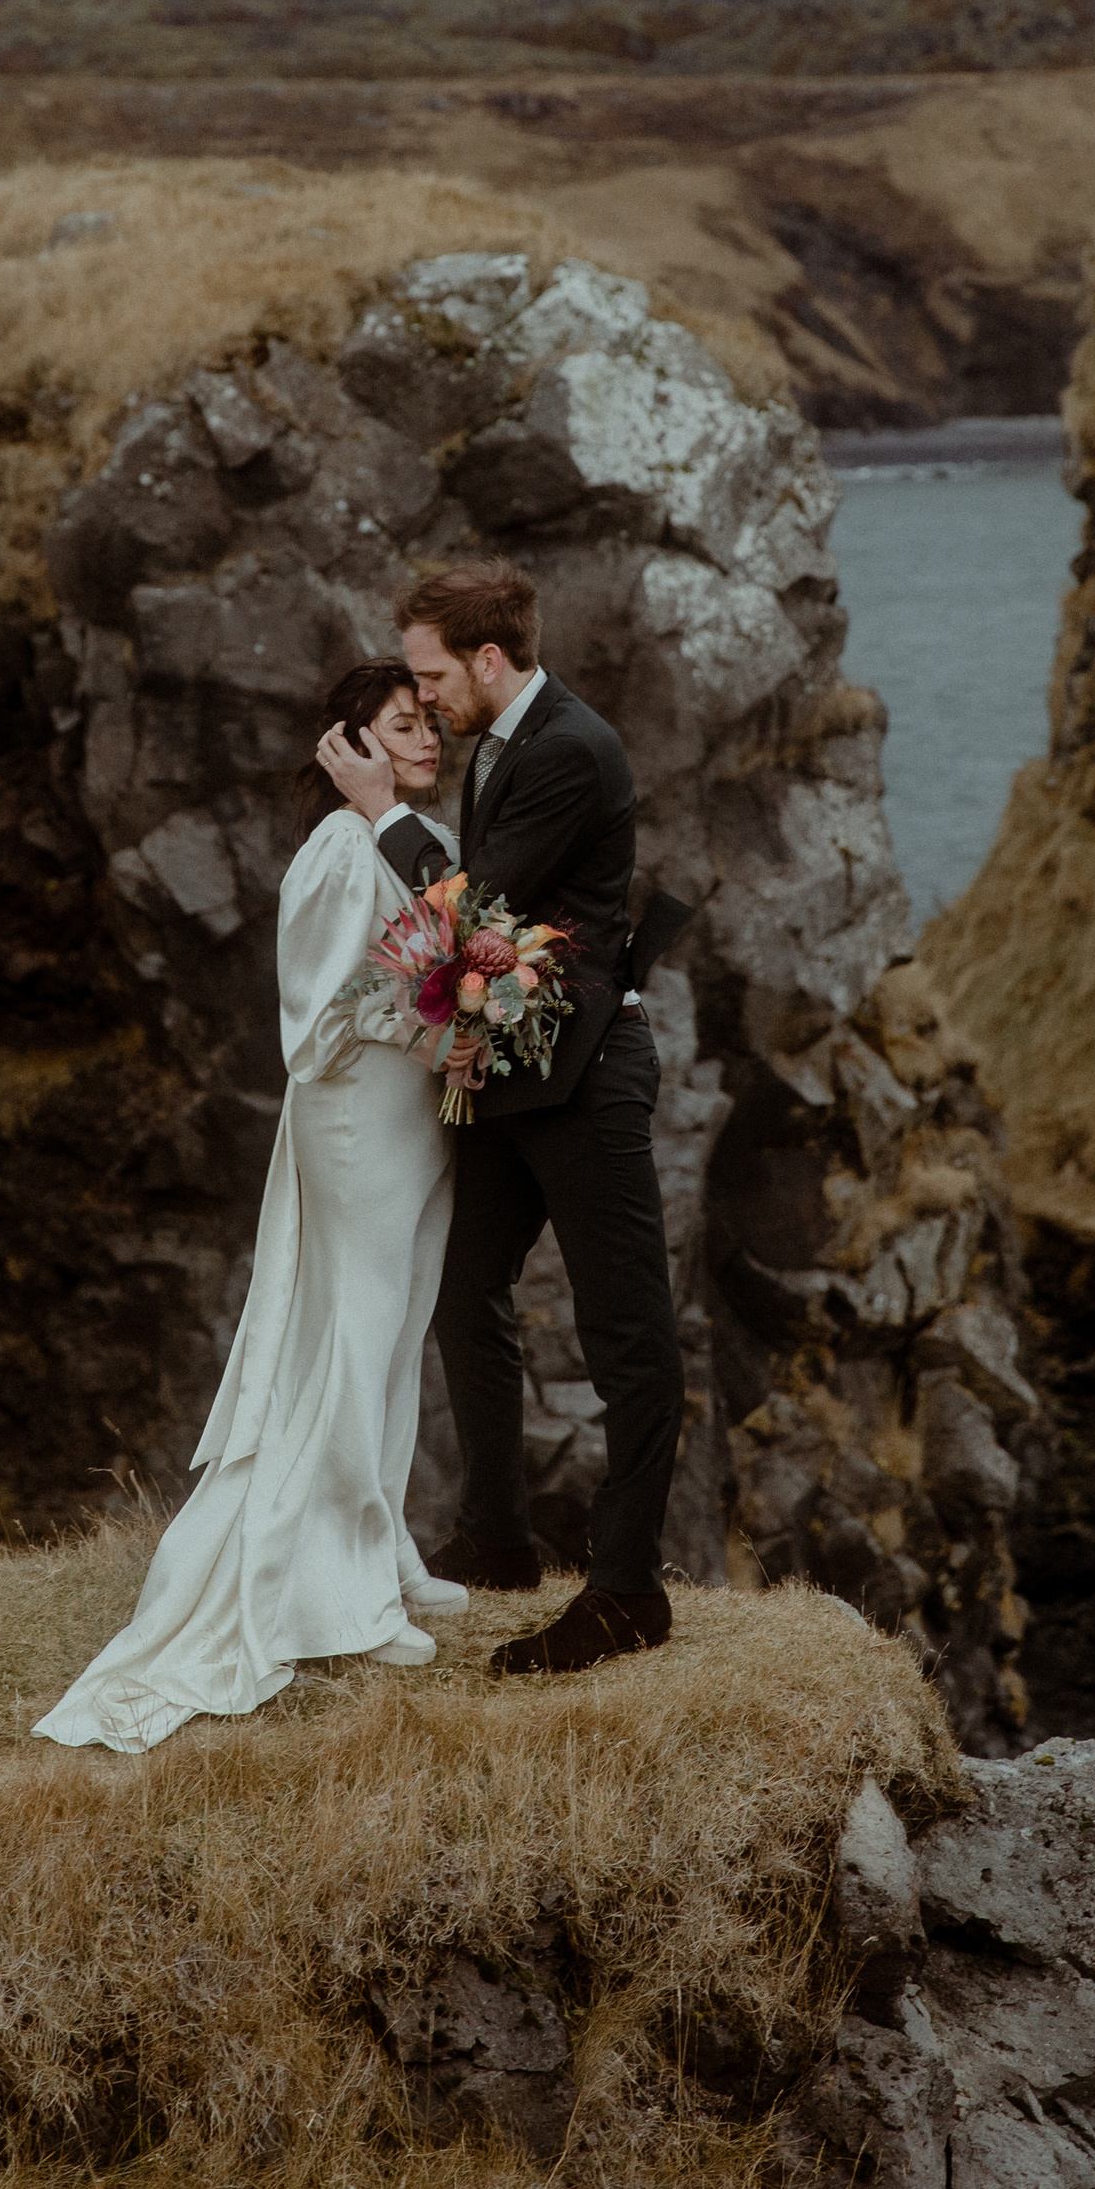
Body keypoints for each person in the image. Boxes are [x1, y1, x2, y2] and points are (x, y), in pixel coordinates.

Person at [35, 660, 467, 1755]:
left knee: (397, 1324)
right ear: (350, 748)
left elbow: (441, 948)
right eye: (400, 727)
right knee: (357, 1328)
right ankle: (338, 1591)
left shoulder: (414, 835)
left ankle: (385, 1544)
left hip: (414, 1116)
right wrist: (436, 1026)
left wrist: (455, 1027)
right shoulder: (338, 846)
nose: (425, 739)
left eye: (426, 724)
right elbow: (319, 1009)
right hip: (359, 1118)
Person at [314, 558, 682, 1679]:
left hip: (587, 1079)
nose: (421, 703)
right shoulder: (506, 740)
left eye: (430, 677)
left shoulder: (570, 747)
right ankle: (501, 1537)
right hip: (515, 1072)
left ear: (486, 658)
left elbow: (476, 906)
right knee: (463, 1286)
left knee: (629, 1336)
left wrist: (381, 813)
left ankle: (625, 1593)